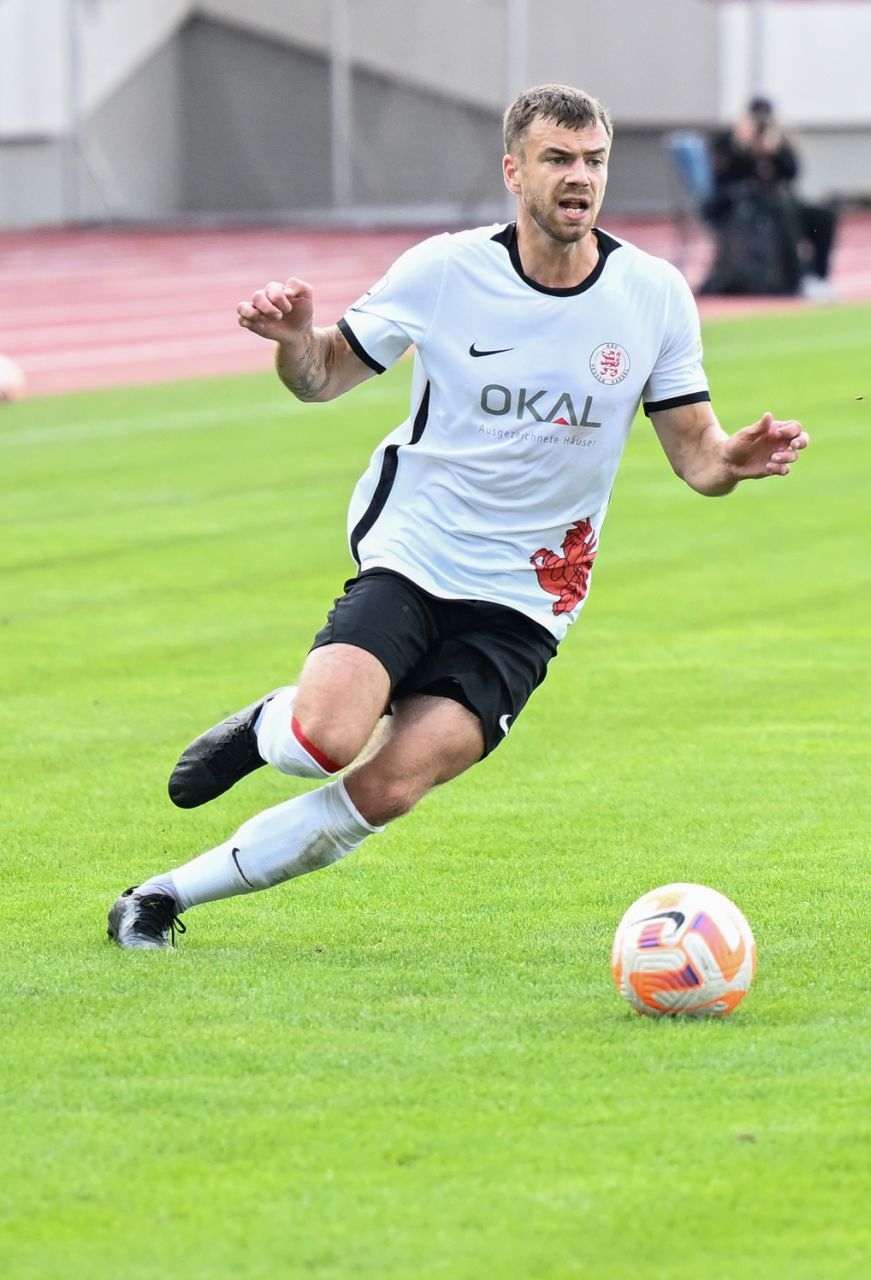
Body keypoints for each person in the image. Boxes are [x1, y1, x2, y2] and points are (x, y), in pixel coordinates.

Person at [107, 84, 810, 949]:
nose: (578, 178)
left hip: (532, 594)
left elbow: (698, 457)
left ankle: (161, 898)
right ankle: (269, 724)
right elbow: (323, 374)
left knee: (391, 787)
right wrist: (295, 340)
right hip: (420, 547)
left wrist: (733, 460)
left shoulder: (654, 294)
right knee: (326, 739)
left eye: (593, 160)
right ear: (514, 171)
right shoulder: (446, 270)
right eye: (558, 159)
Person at [702, 96, 838, 298]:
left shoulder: (776, 139)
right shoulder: (728, 140)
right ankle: (799, 277)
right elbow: (721, 180)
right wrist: (742, 148)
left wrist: (773, 151)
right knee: (783, 212)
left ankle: (819, 277)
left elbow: (792, 174)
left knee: (823, 216)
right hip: (741, 205)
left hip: (776, 200)